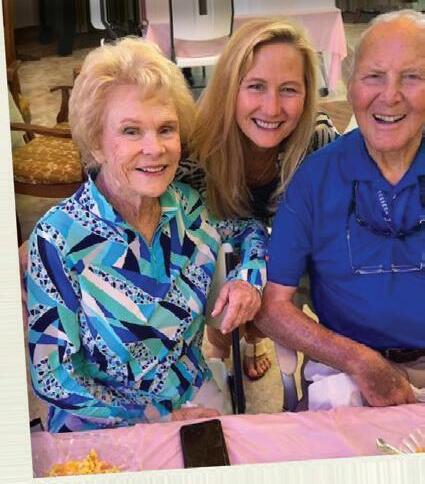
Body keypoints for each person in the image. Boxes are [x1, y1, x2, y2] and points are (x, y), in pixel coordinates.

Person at [25, 37, 267, 432]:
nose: (154, 149)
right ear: (96, 144)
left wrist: (247, 279)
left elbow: (248, 232)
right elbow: (53, 376)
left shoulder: (187, 209)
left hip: (191, 398)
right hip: (101, 425)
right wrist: (152, 419)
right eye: (131, 131)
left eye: (166, 129)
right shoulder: (59, 238)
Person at [256, 9, 425, 409]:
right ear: (350, 88)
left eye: (412, 77)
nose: (390, 96)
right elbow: (272, 307)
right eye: (373, 76)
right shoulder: (315, 178)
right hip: (344, 368)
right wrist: (358, 360)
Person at [176, 17, 339, 379]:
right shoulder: (191, 150)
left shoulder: (319, 140)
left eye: (289, 89)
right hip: (220, 256)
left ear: (308, 94)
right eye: (256, 86)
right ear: (229, 88)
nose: (272, 108)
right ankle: (221, 343)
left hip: (284, 268)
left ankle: (255, 339)